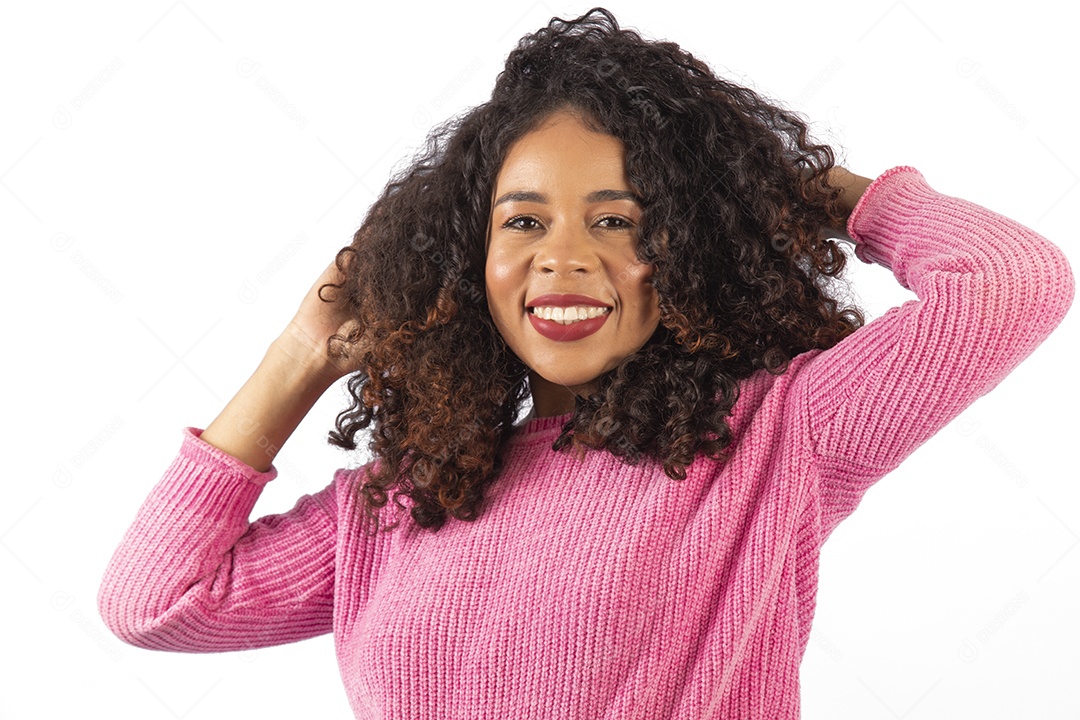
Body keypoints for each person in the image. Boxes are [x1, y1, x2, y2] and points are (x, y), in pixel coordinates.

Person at [98, 7, 1074, 718]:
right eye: (524, 222)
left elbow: (1010, 281)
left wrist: (795, 186)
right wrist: (300, 356)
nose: (563, 258)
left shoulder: (777, 435)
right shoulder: (409, 494)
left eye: (619, 220)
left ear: (689, 246)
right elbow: (155, 605)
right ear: (472, 257)